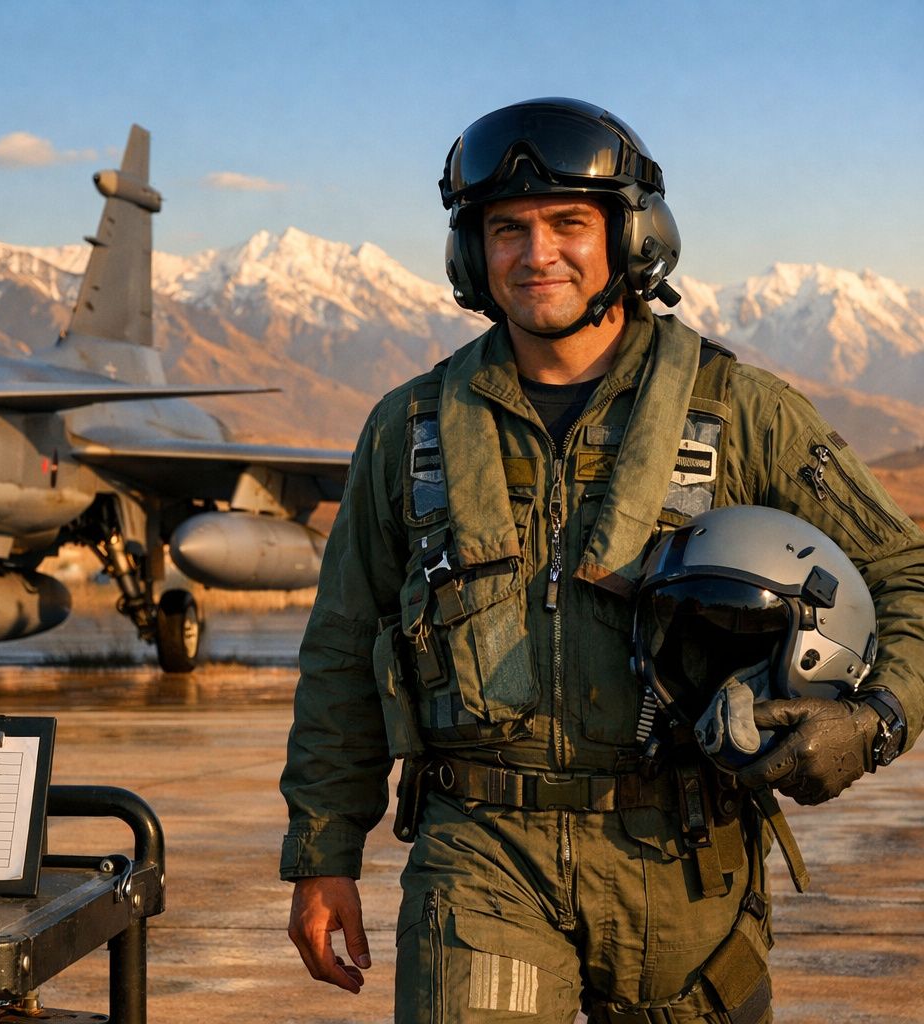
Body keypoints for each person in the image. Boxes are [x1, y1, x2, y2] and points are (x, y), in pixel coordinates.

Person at [280, 97, 924, 1023]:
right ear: (472, 255)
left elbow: (906, 570)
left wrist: (877, 721)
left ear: (631, 237)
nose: (535, 253)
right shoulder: (410, 429)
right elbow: (345, 645)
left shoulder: (739, 410)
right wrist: (322, 853)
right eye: (506, 229)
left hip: (684, 862)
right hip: (482, 856)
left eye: (567, 224)